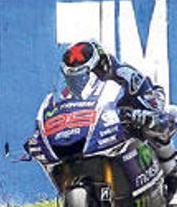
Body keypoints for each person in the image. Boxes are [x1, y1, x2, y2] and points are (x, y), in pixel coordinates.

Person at [58, 42, 177, 192]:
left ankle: (173, 180)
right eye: (73, 78)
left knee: (158, 123)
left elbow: (153, 104)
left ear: (102, 66)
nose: (78, 83)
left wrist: (143, 114)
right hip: (101, 135)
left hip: (134, 120)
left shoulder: (126, 75)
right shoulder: (68, 93)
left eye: (84, 76)